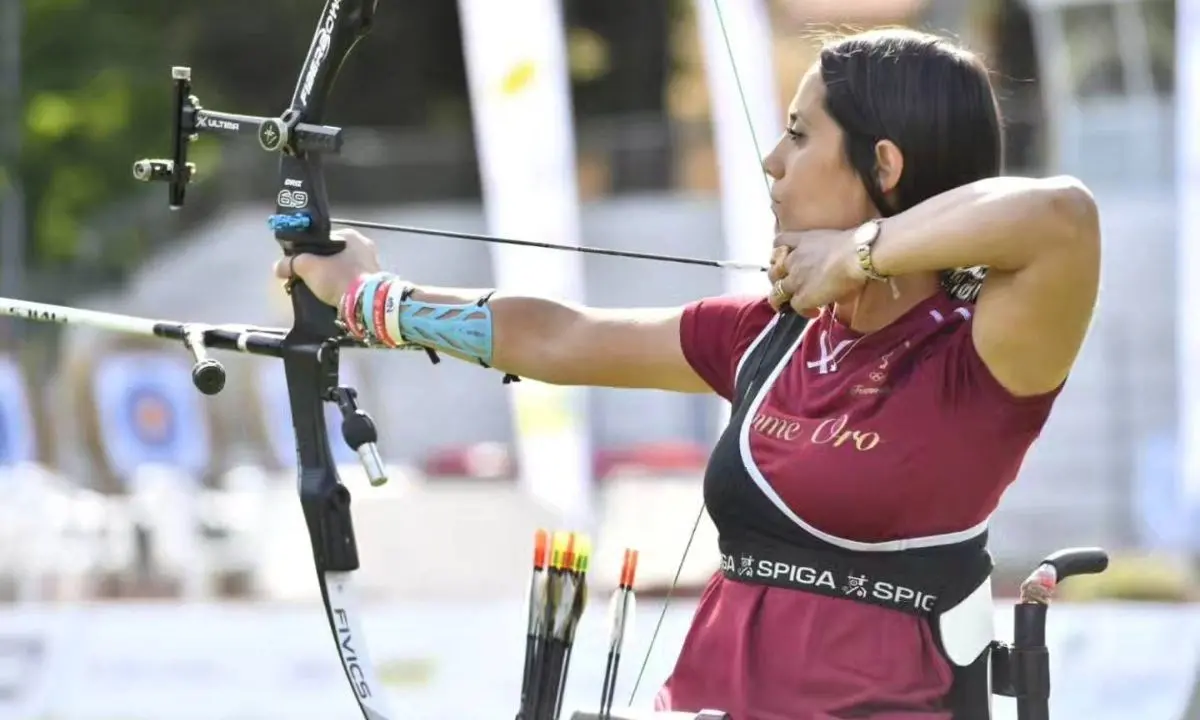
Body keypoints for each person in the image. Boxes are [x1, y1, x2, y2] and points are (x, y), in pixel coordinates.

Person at [276, 27, 1100, 720]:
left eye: (801, 134)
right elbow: (561, 338)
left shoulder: (977, 357)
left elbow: (1062, 215)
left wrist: (856, 255)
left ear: (884, 167)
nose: (772, 160)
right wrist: (367, 297)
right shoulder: (771, 339)